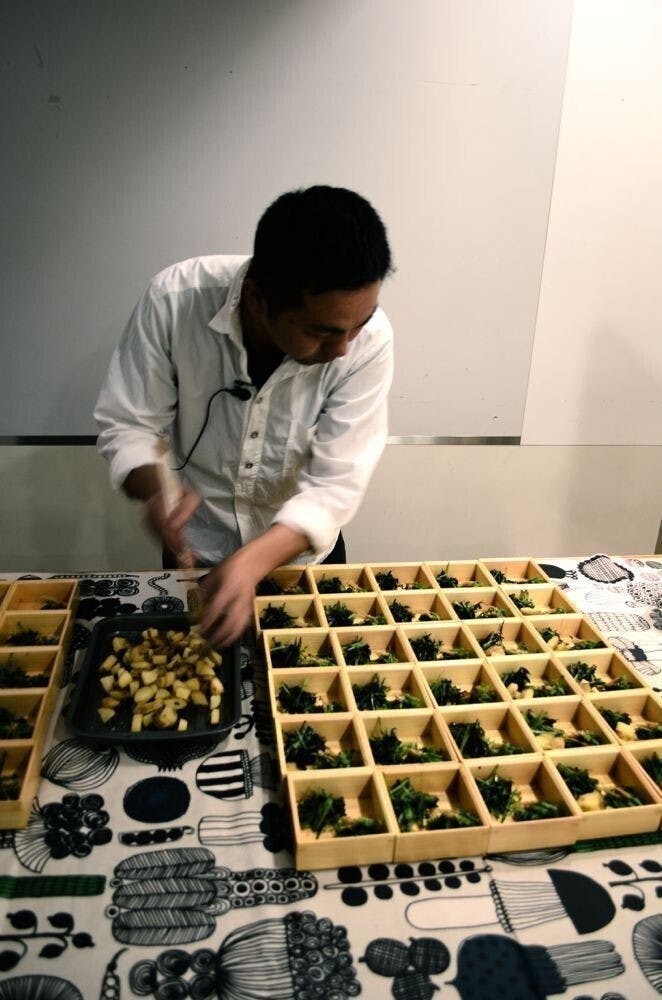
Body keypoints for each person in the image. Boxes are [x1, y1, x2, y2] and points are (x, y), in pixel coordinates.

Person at [95, 185, 394, 646]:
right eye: (322, 332)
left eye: (360, 323)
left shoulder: (368, 342)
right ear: (257, 298)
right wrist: (155, 489)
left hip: (300, 559)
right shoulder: (175, 300)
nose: (342, 349)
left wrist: (250, 564)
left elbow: (336, 483)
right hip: (197, 549)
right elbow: (130, 422)